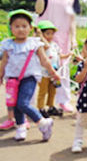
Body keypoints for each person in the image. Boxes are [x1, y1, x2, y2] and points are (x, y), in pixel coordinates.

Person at [0, 9, 60, 141]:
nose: (20, 29)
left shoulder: (34, 43)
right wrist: (1, 75)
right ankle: (21, 127)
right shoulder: (7, 45)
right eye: (17, 26)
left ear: (30, 27)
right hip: (12, 79)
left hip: (29, 78)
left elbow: (44, 60)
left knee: (23, 103)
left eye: (24, 26)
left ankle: (42, 122)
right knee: (15, 103)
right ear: (11, 28)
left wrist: (53, 72)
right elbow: (4, 61)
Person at [35, 0, 80, 113]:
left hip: (63, 37)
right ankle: (38, 103)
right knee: (41, 69)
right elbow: (39, 10)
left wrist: (73, 39)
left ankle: (63, 101)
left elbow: (72, 20)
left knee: (62, 69)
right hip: (45, 36)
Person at [35, 20, 70, 117]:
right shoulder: (40, 45)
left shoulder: (55, 45)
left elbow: (60, 55)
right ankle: (40, 108)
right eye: (47, 33)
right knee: (43, 91)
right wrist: (39, 35)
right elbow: (46, 46)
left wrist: (68, 55)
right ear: (41, 34)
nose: (50, 36)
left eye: (52, 33)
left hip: (54, 73)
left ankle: (50, 106)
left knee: (52, 91)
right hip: (44, 73)